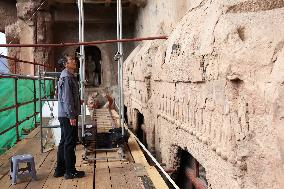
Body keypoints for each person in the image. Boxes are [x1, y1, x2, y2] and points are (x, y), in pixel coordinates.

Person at [54, 54, 85, 179]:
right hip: (68, 115)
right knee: (70, 143)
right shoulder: (67, 77)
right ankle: (70, 171)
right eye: (72, 60)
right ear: (66, 64)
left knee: (64, 142)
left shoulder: (66, 76)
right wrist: (71, 115)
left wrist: (78, 101)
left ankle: (60, 170)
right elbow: (66, 98)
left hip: (64, 114)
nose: (74, 61)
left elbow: (65, 97)